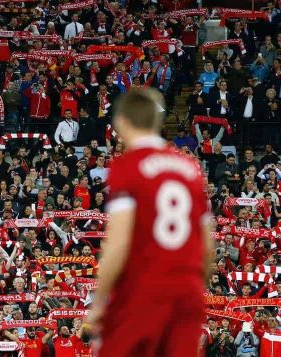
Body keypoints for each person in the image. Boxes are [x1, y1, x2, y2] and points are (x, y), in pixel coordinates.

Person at [88, 89, 211, 356]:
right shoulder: (190, 169)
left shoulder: (127, 166)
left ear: (120, 122)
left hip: (143, 289)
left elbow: (118, 243)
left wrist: (99, 302)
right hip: (186, 290)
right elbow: (207, 243)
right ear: (157, 122)